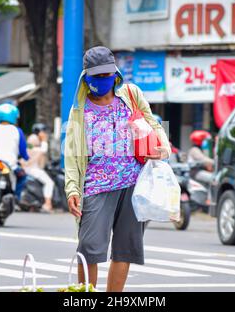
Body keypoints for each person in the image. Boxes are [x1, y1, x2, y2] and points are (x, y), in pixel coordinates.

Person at [64, 46, 171, 292]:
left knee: (125, 249)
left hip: (135, 184)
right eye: (97, 77)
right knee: (89, 248)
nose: (103, 81)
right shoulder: (80, 110)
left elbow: (152, 122)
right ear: (86, 77)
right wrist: (72, 189)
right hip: (96, 186)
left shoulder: (131, 94)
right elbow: (71, 153)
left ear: (115, 74)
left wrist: (162, 147)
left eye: (107, 75)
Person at [0, 103, 29, 190]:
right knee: (23, 178)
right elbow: (23, 151)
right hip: (10, 166)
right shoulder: (17, 131)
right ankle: (17, 199)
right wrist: (26, 157)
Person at [20, 124, 55, 213]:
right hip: (30, 167)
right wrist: (44, 140)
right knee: (49, 183)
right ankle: (48, 203)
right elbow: (40, 150)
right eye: (43, 131)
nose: (45, 133)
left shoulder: (36, 139)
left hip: (32, 167)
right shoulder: (33, 138)